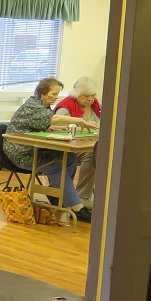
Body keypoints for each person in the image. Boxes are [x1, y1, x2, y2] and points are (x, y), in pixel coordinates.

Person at [3, 77, 98, 223]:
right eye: (53, 94)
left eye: (57, 94)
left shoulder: (43, 107)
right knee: (55, 167)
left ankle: (61, 198)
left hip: (37, 149)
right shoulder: (32, 106)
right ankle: (77, 208)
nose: (56, 97)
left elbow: (50, 125)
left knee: (70, 157)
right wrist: (80, 121)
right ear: (42, 93)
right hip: (21, 152)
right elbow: (55, 119)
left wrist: (76, 127)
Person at [55, 77, 100, 209]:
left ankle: (97, 195)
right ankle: (82, 197)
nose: (90, 99)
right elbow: (57, 126)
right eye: (86, 96)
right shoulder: (66, 107)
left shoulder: (96, 106)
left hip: (90, 144)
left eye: (92, 95)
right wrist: (81, 127)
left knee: (101, 153)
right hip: (69, 147)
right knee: (92, 155)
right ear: (76, 95)